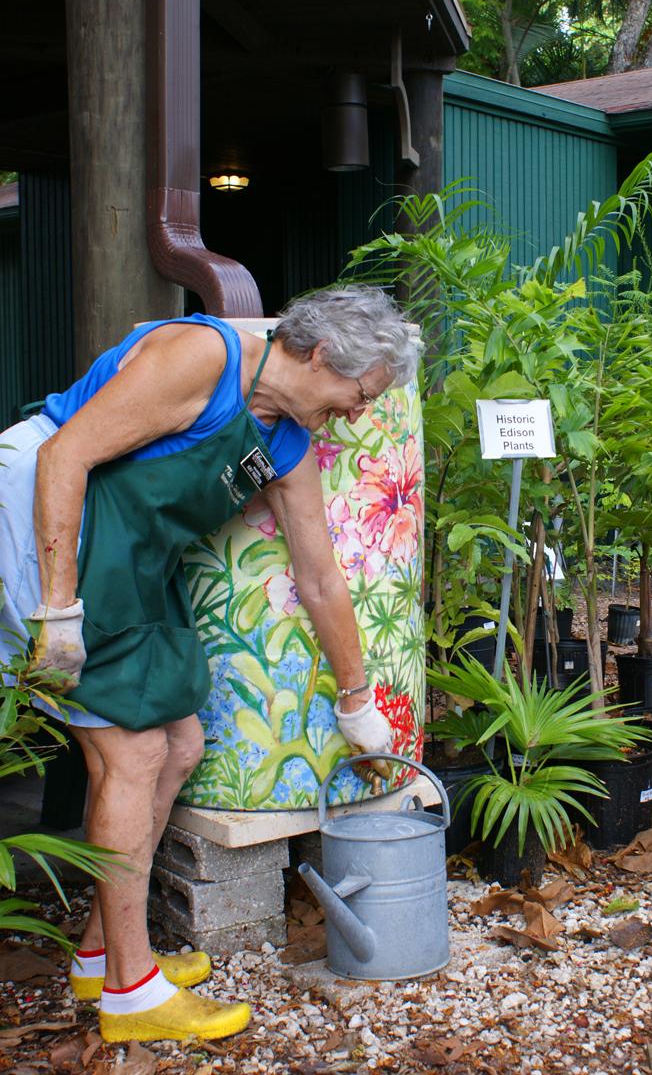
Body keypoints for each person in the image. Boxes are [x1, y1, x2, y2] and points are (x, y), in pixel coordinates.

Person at [0, 285, 423, 1044]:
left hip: (132, 557)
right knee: (129, 754)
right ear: (322, 354)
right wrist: (58, 614)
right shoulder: (202, 357)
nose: (360, 414)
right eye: (360, 395)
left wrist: (356, 697)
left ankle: (101, 953)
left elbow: (319, 576)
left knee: (182, 744)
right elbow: (66, 454)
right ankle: (131, 996)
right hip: (45, 517)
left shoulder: (287, 444)